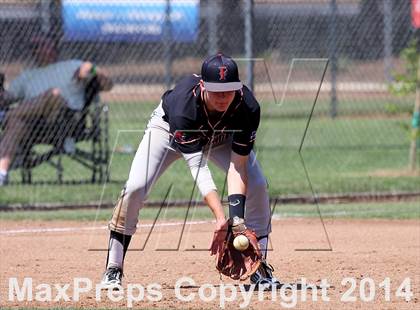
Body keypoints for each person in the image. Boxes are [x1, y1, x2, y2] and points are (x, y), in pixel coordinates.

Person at [101, 53, 280, 288]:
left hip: (219, 138)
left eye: (229, 90)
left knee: (257, 184)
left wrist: (236, 220)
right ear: (203, 85)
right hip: (166, 132)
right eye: (216, 91)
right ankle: (114, 267)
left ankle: (259, 267)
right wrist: (219, 218)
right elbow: (198, 168)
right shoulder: (184, 107)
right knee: (136, 187)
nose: (223, 97)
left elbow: (238, 166)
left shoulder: (247, 107)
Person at [0, 36, 113, 185]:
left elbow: (107, 85)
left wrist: (92, 68)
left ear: (54, 48)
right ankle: (2, 173)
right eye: (35, 47)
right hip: (33, 125)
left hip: (66, 121)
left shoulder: (72, 65)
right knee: (16, 121)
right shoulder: (26, 76)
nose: (37, 50)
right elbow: (7, 98)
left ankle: (5, 116)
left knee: (53, 95)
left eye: (42, 45)